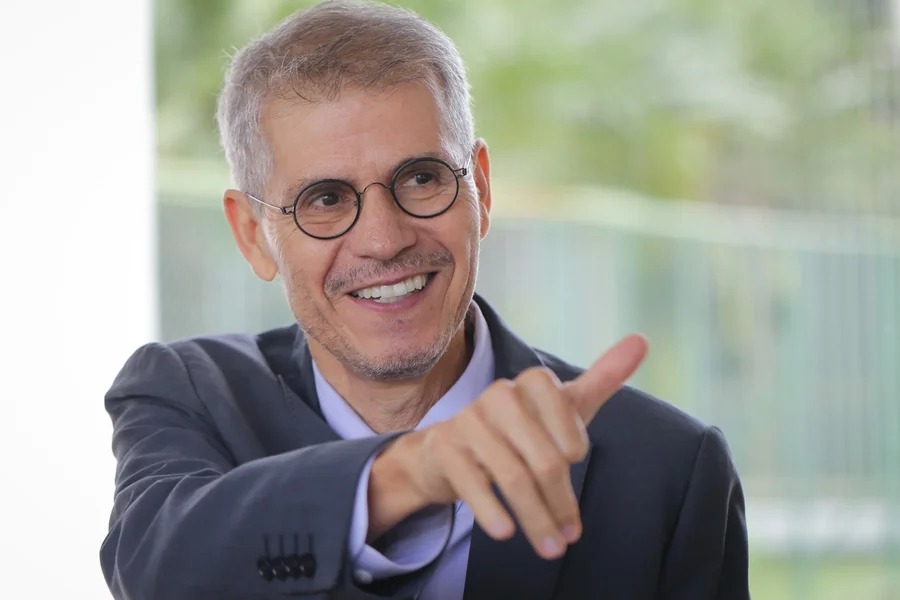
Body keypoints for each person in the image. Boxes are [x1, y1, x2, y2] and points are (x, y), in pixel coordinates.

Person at [99, 1, 749, 598]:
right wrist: (407, 472)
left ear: (481, 192)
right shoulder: (187, 394)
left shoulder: (670, 471)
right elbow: (158, 570)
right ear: (252, 234)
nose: (384, 240)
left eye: (420, 178)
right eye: (325, 199)